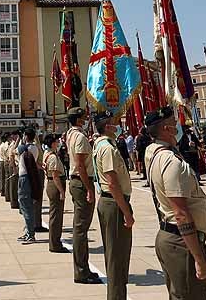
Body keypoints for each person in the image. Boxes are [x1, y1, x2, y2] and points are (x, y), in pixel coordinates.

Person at [143, 107, 206, 300]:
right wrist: (198, 258)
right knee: (192, 295)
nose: (178, 125)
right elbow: (180, 213)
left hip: (170, 235)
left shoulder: (153, 152)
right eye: (174, 122)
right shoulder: (171, 162)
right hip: (181, 240)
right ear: (167, 128)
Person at [93, 111, 133, 300]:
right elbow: (112, 182)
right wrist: (126, 211)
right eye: (112, 123)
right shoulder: (107, 148)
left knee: (115, 253)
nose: (116, 126)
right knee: (117, 256)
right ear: (107, 127)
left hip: (110, 201)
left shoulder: (102, 144)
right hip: (114, 203)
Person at [65, 107, 101, 285]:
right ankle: (81, 271)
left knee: (80, 228)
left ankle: (83, 268)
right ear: (78, 119)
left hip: (77, 181)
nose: (86, 118)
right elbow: (80, 165)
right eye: (84, 116)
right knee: (81, 229)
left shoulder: (71, 134)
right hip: (81, 181)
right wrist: (89, 188)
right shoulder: (79, 137)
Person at [17, 127, 42, 244]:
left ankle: (30, 234)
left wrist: (19, 139)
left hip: (24, 178)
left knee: (26, 206)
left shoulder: (24, 148)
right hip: (30, 178)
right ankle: (28, 231)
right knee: (28, 206)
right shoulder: (35, 148)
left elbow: (15, 149)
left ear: (26, 136)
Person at [42, 133, 67, 253]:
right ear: (52, 143)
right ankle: (55, 244)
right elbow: (55, 176)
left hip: (52, 184)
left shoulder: (48, 154)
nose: (58, 143)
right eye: (57, 141)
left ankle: (55, 242)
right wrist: (62, 191)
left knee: (55, 215)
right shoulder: (52, 157)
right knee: (56, 217)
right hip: (55, 185)